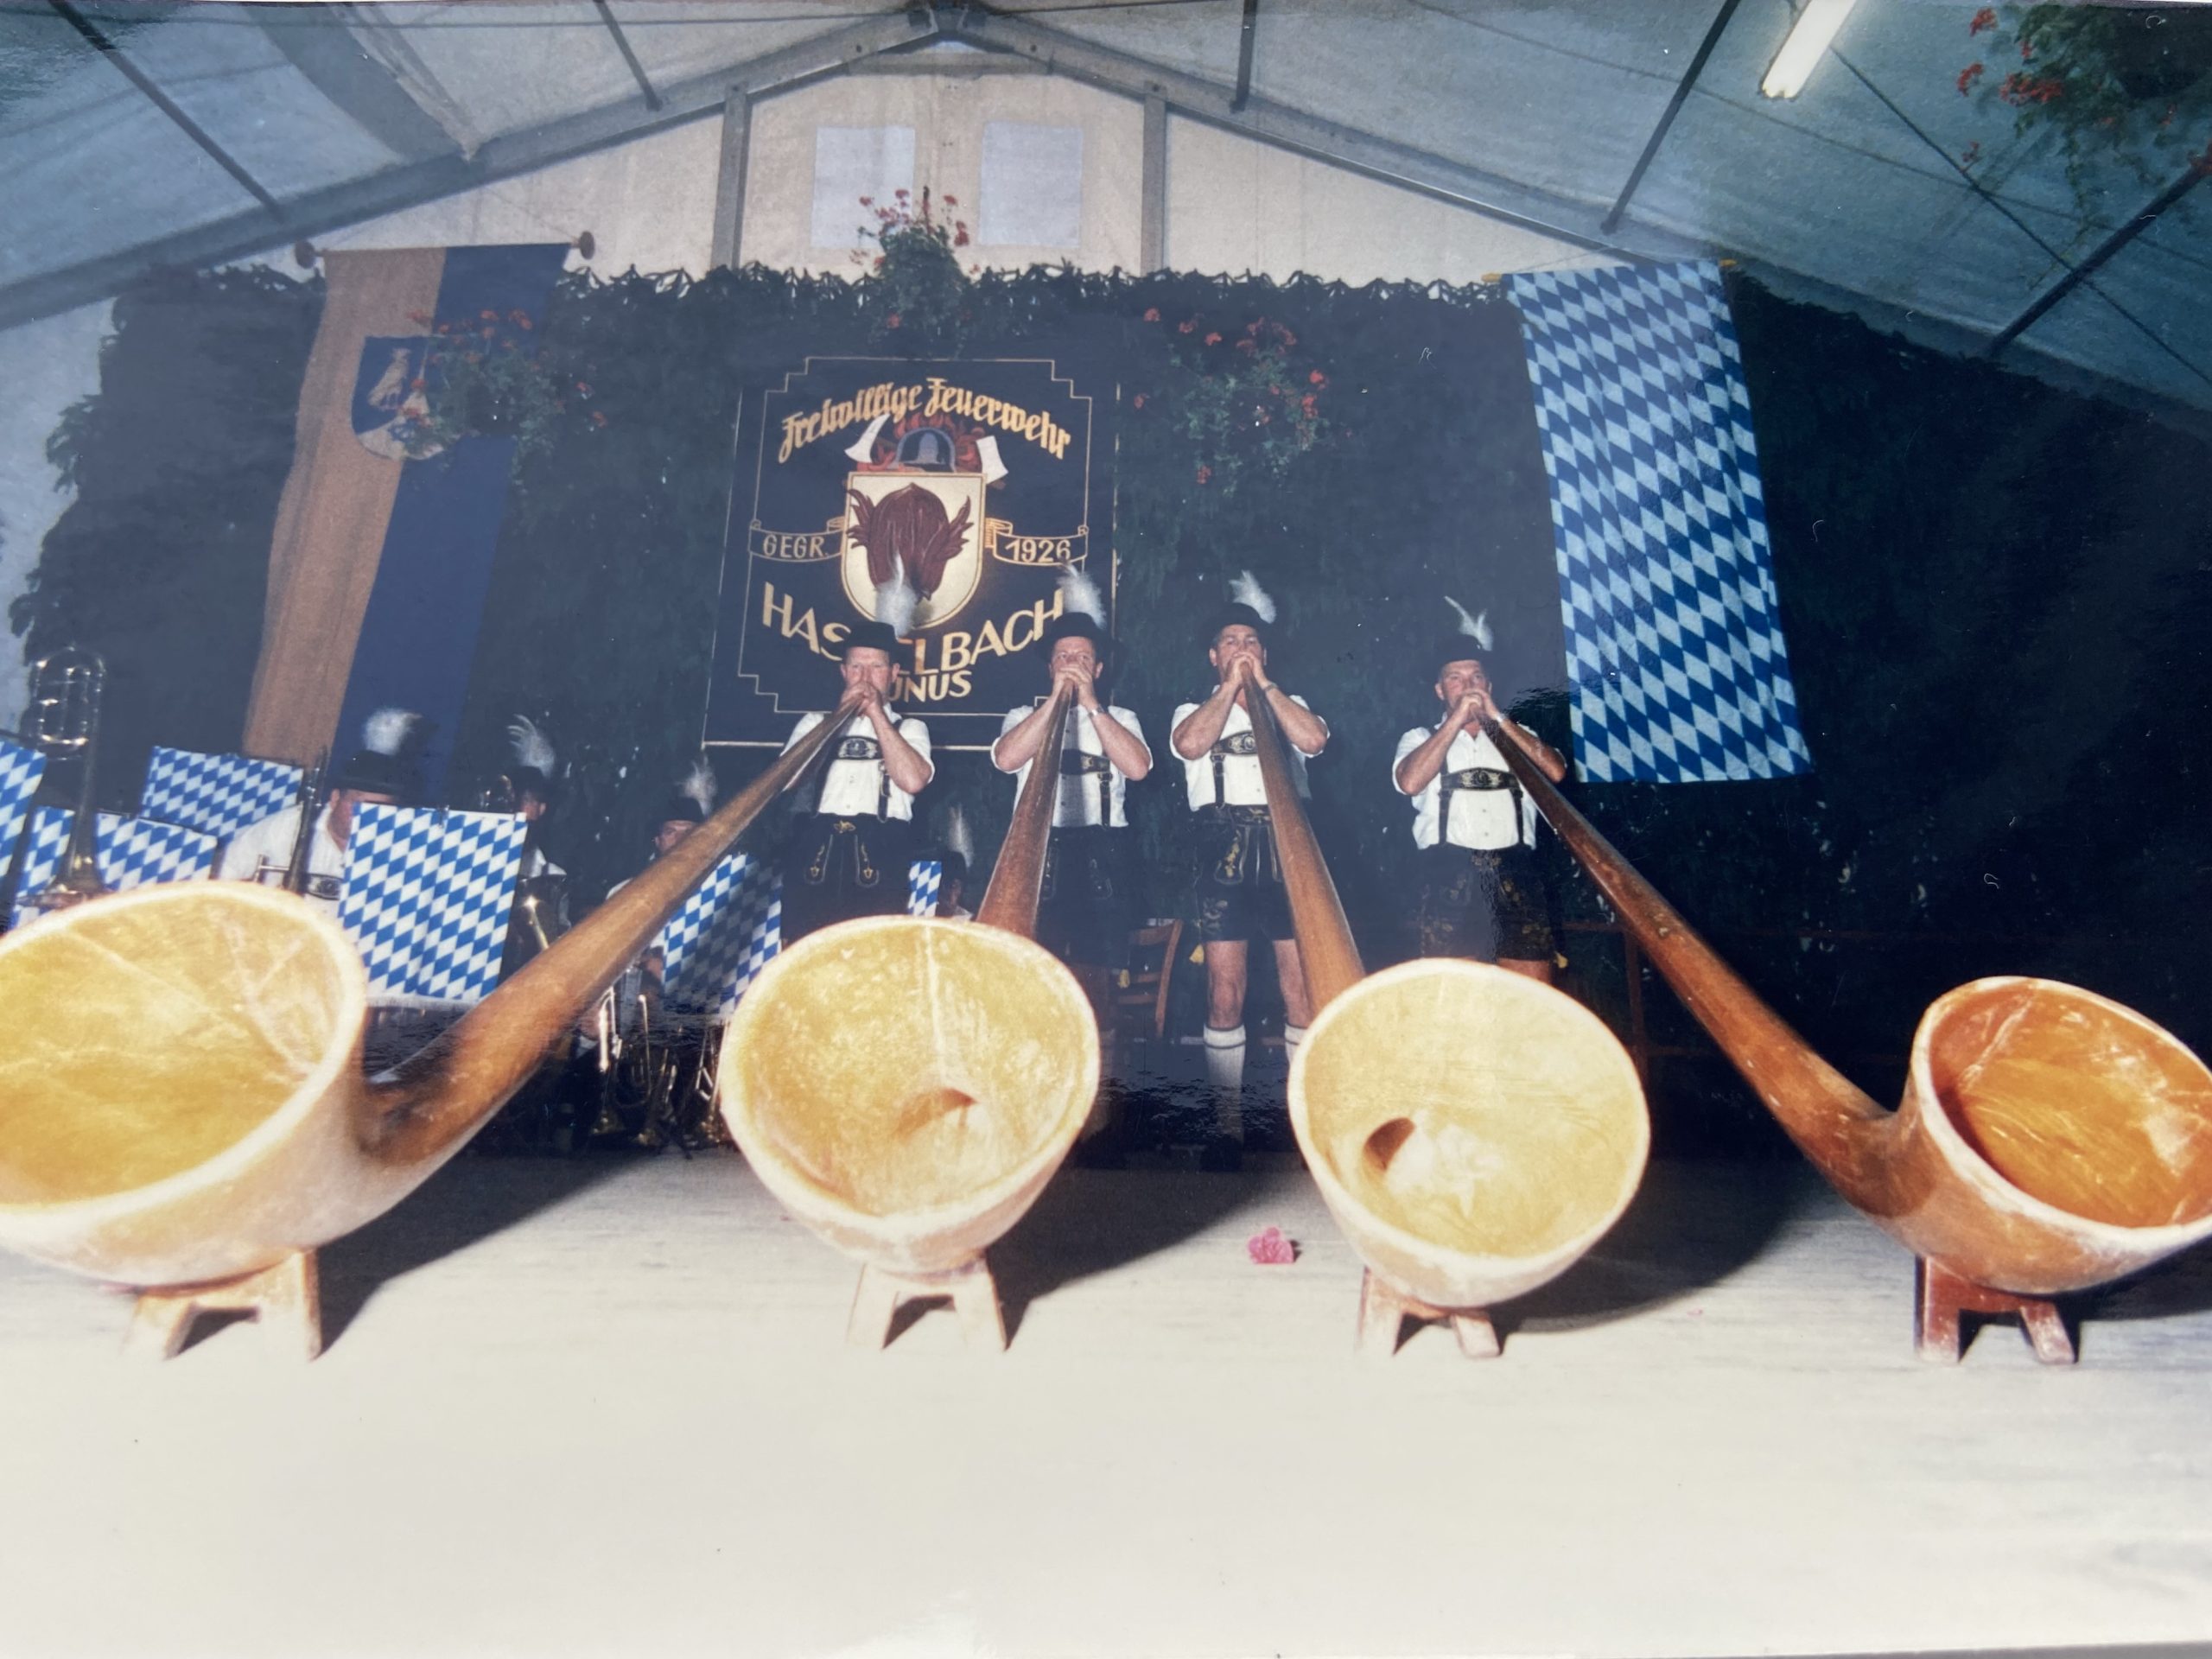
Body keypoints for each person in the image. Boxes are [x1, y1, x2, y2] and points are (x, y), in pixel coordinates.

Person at [1168, 574, 1328, 1166]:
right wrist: (1231, 689)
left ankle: (1305, 1126)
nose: (1242, 649)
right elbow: (1190, 745)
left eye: (1252, 641)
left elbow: (1314, 741)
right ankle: (1227, 1127)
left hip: (1288, 848)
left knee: (1300, 988)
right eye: (1230, 642)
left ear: (1266, 652)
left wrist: (1262, 686)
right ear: (1213, 656)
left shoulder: (1292, 704)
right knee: (1224, 990)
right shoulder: (1192, 709)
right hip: (1223, 850)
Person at [1391, 615, 1567, 980]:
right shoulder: (1419, 738)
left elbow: (1555, 772)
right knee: (1457, 991)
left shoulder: (1520, 735)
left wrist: (1497, 719)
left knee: (1531, 992)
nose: (1468, 686)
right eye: (1455, 679)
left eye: (1476, 677)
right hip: (1448, 874)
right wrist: (1455, 721)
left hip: (1517, 872)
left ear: (1489, 685)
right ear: (1440, 690)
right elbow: (1409, 782)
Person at [990, 576, 1152, 969]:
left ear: (1097, 669)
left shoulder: (1121, 717)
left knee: (1099, 969)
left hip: (1104, 853)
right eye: (1063, 657)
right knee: (1034, 964)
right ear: (1050, 667)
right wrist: (1054, 703)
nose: (1072, 665)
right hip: (1038, 850)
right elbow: (1006, 759)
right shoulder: (1022, 716)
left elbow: (1138, 769)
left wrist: (1092, 705)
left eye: (1082, 658)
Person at [778, 620, 933, 944]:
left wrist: (876, 714)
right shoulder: (814, 723)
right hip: (814, 854)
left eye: (876, 667)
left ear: (893, 674)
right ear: (843, 672)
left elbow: (913, 780)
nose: (865, 678)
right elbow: (788, 779)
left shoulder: (910, 728)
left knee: (873, 957)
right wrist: (840, 716)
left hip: (881, 856)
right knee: (805, 955)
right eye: (856, 667)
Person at [218, 708, 418, 912]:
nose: (366, 816)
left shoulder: (400, 849)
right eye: (358, 804)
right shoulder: (288, 826)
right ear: (335, 799)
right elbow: (223, 873)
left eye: (380, 809)